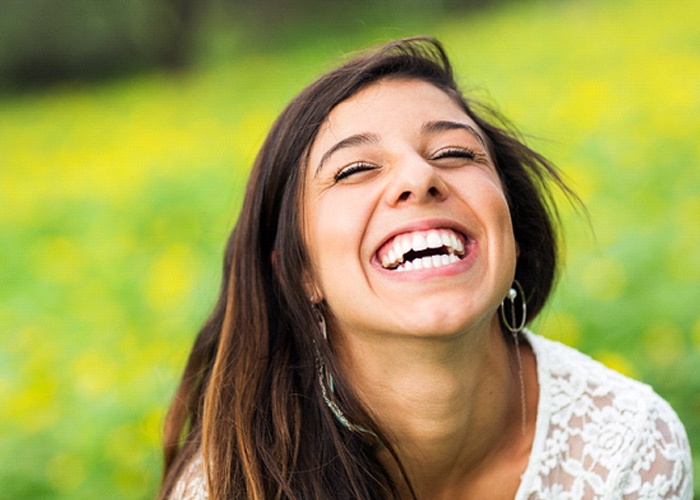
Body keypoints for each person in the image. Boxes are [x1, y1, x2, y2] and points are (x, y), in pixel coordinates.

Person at [159, 37, 692, 499]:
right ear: (301, 274)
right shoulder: (230, 484)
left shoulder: (629, 446)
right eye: (356, 168)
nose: (420, 176)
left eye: (456, 152)